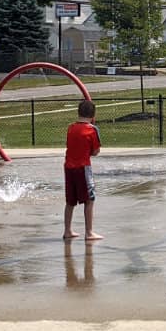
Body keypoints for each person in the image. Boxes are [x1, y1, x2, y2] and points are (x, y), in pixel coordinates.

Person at [64, 99, 103, 241]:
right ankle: (89, 232)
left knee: (70, 201)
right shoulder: (92, 130)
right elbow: (96, 151)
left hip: (69, 167)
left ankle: (67, 230)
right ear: (93, 115)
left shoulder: (70, 127)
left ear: (78, 112)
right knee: (89, 200)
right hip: (83, 168)